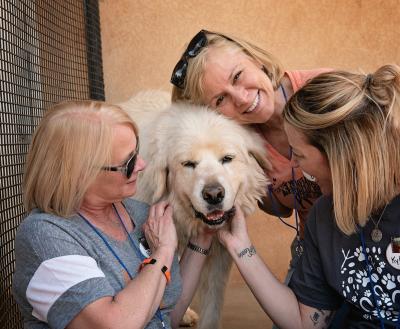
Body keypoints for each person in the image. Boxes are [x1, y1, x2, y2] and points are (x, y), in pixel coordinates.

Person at [216, 64, 400, 328]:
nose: (297, 168)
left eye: (299, 156)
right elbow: (306, 322)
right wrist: (240, 246)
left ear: (338, 154)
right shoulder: (324, 216)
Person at [12, 100, 213, 329]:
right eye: (127, 162)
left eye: (137, 152)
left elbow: (167, 316)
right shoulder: (46, 235)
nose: (142, 165)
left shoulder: (140, 214)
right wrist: (164, 252)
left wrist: (202, 236)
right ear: (80, 173)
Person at [170, 29, 332, 284]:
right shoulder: (237, 141)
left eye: (237, 76)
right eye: (220, 99)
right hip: (313, 254)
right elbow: (281, 208)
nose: (242, 99)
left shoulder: (327, 91)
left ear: (255, 58)